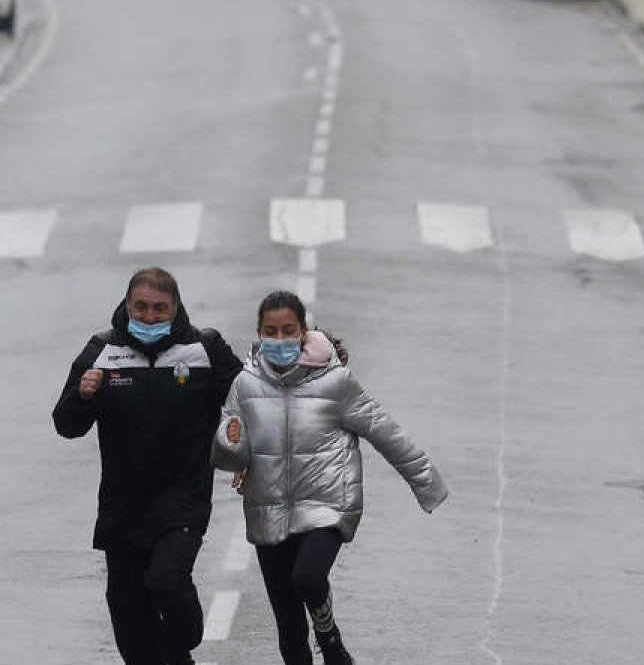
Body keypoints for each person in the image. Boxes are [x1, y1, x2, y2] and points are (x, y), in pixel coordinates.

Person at [211, 291, 449, 665]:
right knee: (288, 627)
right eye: (270, 331)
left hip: (328, 503)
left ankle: (329, 636)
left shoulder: (335, 382)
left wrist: (426, 482)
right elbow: (229, 452)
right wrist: (230, 441)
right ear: (258, 333)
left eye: (288, 330)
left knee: (307, 577)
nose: (279, 339)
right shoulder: (245, 385)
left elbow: (383, 429)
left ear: (304, 332)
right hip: (267, 507)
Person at [52, 267, 243, 665]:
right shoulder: (101, 352)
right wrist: (83, 395)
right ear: (127, 305)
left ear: (176, 308)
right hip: (123, 508)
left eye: (160, 308)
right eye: (142, 307)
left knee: (167, 581)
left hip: (183, 500)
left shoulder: (205, 350)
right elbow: (66, 425)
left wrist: (249, 454)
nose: (150, 316)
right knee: (131, 625)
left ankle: (186, 640)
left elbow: (250, 401)